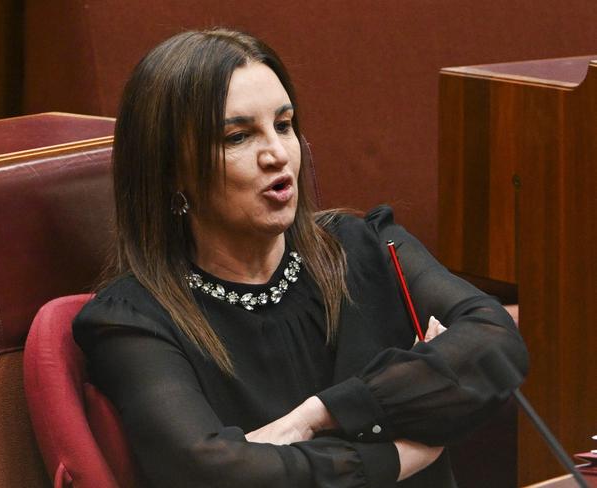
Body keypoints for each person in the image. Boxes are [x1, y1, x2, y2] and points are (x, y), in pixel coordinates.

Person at [73, 28, 528, 487]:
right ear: (172, 168)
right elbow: (211, 471)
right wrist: (396, 452)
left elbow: (494, 340)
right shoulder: (133, 321)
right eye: (238, 136)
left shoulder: (364, 245)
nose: (277, 154)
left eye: (285, 125)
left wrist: (319, 415)